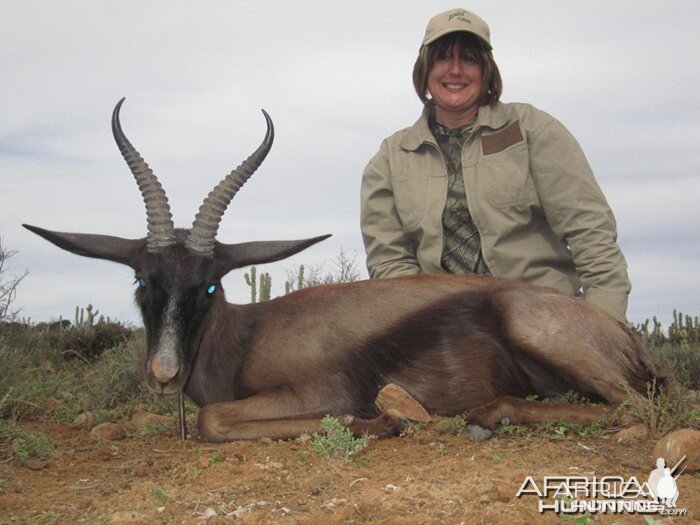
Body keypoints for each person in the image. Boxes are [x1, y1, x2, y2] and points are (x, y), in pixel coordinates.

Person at [360, 8, 631, 323]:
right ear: (425, 69)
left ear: (487, 70)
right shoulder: (390, 160)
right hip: (442, 333)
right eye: (443, 57)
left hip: (545, 321)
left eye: (470, 59)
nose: (456, 70)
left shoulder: (533, 131)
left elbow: (592, 237)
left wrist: (602, 328)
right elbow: (390, 266)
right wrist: (425, 332)